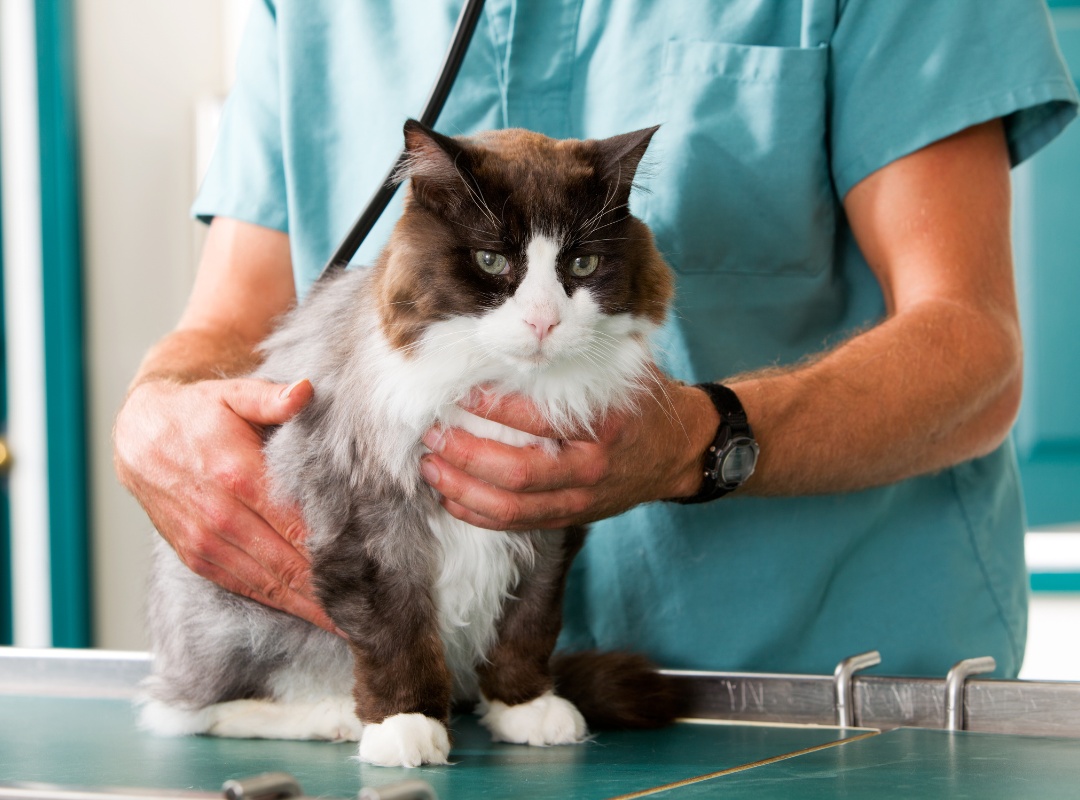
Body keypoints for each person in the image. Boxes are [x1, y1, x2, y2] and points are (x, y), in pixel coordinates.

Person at [114, 0, 1078, 678]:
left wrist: (696, 442)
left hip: (825, 691)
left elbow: (974, 349)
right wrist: (154, 414)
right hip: (454, 709)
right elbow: (230, 328)